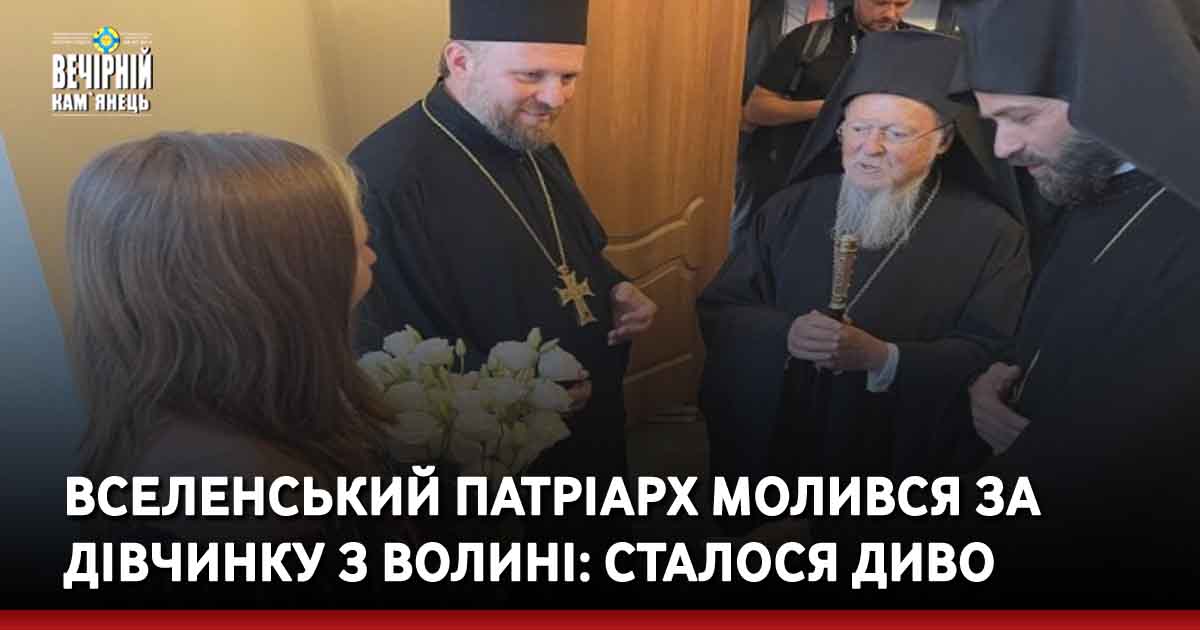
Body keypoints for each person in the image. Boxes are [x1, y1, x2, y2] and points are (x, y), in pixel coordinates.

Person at [699, 32, 1030, 534]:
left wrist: (885, 359)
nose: (869, 148)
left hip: (892, 460)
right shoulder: (790, 207)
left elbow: (995, 348)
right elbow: (723, 307)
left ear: (943, 140)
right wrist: (785, 335)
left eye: (896, 133)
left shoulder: (993, 233)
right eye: (858, 128)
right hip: (778, 442)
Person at [66, 131, 405, 604]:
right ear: (292, 284)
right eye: (359, 245)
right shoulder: (246, 498)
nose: (372, 255)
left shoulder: (188, 417)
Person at [349, 0, 655, 488]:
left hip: (589, 418)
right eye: (531, 75)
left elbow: (571, 252)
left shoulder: (526, 136)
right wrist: (522, 394)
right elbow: (395, 346)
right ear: (460, 61)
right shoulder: (388, 178)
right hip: (501, 455)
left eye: (569, 77)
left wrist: (616, 288)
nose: (555, 98)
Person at [953, 0, 1200, 603]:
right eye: (992, 120)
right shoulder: (1101, 183)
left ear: (1118, 93)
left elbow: (1124, 459)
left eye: (1021, 116)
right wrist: (1002, 383)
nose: (1003, 146)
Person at [732, 0, 919, 248]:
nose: (890, 14)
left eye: (902, 3)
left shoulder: (919, 48)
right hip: (798, 181)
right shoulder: (809, 39)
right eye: (880, 2)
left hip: (877, 188)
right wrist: (833, 108)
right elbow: (757, 110)